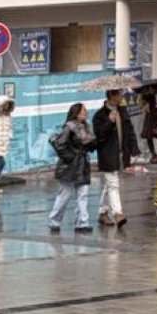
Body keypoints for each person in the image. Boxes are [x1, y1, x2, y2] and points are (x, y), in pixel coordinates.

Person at [92, 90, 138, 228]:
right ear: (112, 96)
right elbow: (99, 135)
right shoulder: (100, 115)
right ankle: (118, 214)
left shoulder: (123, 111)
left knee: (108, 184)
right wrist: (109, 121)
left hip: (120, 153)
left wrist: (134, 149)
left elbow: (129, 131)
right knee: (113, 184)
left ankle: (102, 213)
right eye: (119, 95)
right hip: (107, 154)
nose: (121, 97)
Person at [48, 104, 96, 234]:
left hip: (83, 164)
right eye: (83, 111)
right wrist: (71, 157)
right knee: (64, 194)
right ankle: (54, 221)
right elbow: (60, 145)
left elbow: (91, 144)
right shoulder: (68, 127)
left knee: (83, 194)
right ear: (76, 113)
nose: (86, 113)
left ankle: (82, 223)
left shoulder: (87, 127)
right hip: (69, 166)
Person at [140, 90, 157, 162]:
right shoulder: (148, 94)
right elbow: (142, 103)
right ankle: (153, 154)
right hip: (150, 117)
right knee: (149, 136)